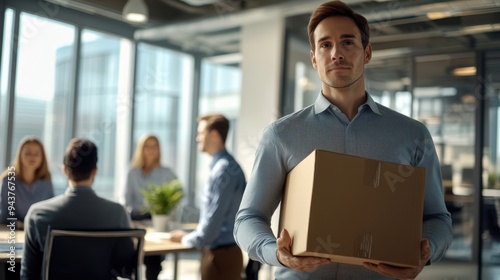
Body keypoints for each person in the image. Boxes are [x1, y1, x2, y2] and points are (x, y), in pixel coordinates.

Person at [233, 1, 453, 279]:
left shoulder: (412, 134)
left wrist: (425, 251)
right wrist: (275, 253)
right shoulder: (281, 135)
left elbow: (437, 218)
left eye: (347, 42)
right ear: (314, 58)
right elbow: (248, 218)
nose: (336, 53)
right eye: (325, 45)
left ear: (367, 53)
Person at [20, 138, 132, 279]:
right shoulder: (118, 213)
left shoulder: (37, 214)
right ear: (95, 171)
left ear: (65, 170)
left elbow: (28, 274)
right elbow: (126, 266)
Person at [170, 114, 246, 280]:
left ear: (214, 135)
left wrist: (186, 238)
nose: (198, 138)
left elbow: (210, 229)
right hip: (224, 254)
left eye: (201, 132)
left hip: (220, 258)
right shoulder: (226, 167)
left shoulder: (222, 171)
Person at [124, 134, 177, 280]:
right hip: (137, 224)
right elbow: (128, 203)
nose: (151, 150)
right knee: (129, 262)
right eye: (147, 146)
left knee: (153, 263)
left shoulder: (167, 173)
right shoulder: (132, 172)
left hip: (156, 226)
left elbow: (173, 201)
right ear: (141, 149)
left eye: (154, 146)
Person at [0, 136, 54, 229]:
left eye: (37, 154)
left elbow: (51, 210)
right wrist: (21, 225)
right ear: (20, 155)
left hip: (40, 232)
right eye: (28, 153)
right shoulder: (9, 180)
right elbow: (4, 215)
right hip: (15, 232)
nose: (32, 157)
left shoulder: (46, 180)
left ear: (42, 158)